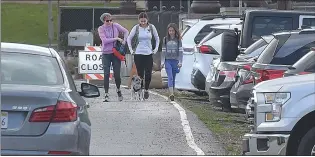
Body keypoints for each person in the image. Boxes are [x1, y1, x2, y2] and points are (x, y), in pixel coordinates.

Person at [127, 12, 160, 99]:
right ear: (139, 21)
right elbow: (129, 38)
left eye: (144, 21)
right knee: (140, 73)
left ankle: (146, 90)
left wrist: (155, 49)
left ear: (147, 20)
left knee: (148, 73)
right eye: (141, 21)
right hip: (138, 53)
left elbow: (157, 38)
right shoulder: (136, 28)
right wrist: (131, 50)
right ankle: (140, 91)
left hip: (148, 53)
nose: (143, 23)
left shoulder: (151, 27)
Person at [98, 13, 129, 102]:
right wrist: (116, 39)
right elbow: (104, 40)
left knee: (117, 74)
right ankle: (106, 93)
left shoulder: (115, 25)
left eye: (111, 20)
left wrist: (124, 41)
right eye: (107, 21)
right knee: (106, 73)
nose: (110, 22)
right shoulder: (101, 28)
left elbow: (126, 31)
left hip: (115, 53)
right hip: (106, 53)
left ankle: (118, 89)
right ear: (104, 21)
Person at [160, 23, 183, 101]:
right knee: (170, 77)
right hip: (167, 61)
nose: (171, 32)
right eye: (170, 31)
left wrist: (180, 62)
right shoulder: (165, 39)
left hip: (175, 61)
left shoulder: (178, 40)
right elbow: (163, 51)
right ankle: (171, 94)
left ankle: (172, 92)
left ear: (175, 31)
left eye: (172, 30)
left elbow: (180, 51)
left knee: (173, 77)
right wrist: (162, 62)